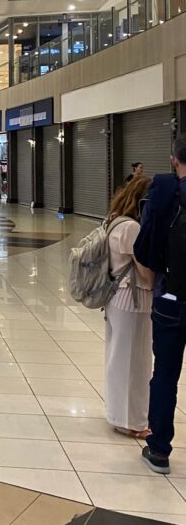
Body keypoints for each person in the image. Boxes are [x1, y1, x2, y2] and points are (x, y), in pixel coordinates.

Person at [134, 135, 186, 474]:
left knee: (165, 372)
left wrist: (156, 284)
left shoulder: (165, 192)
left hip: (171, 296)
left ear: (173, 159)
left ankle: (159, 450)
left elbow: (144, 247)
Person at [103, 177, 154, 438]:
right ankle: (131, 421)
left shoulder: (115, 220)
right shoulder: (133, 229)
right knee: (135, 361)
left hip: (116, 298)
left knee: (118, 357)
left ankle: (118, 413)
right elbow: (145, 273)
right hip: (133, 299)